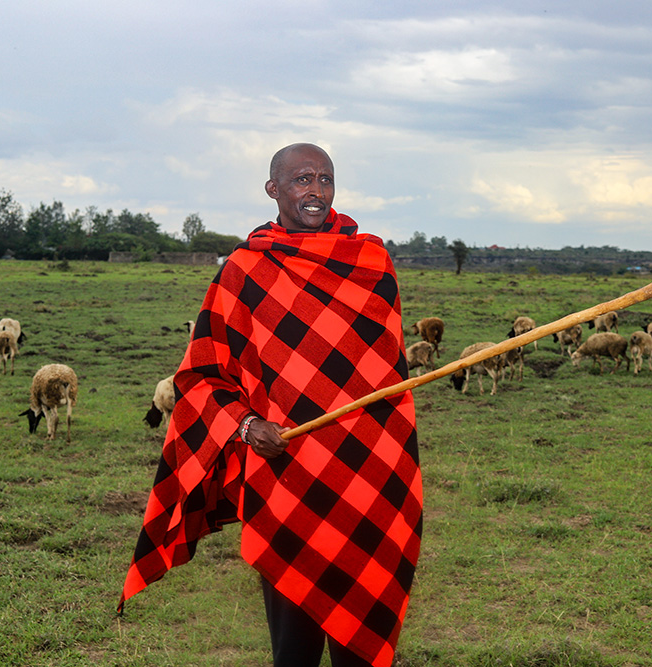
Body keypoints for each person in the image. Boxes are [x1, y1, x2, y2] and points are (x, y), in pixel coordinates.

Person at [118, 143, 423, 667]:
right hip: (287, 474)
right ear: (273, 189)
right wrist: (246, 423)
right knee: (294, 647)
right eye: (303, 179)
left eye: (325, 179)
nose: (316, 191)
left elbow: (386, 373)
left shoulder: (372, 262)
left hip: (370, 473)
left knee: (366, 636)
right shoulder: (246, 269)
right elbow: (203, 374)